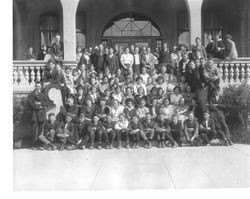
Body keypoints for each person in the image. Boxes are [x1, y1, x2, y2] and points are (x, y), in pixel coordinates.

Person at [27, 82, 48, 146]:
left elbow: (46, 103)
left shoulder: (43, 94)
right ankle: (34, 144)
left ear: (41, 87)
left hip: (42, 114)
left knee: (41, 129)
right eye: (37, 86)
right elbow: (30, 104)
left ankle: (40, 144)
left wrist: (39, 103)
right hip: (35, 114)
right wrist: (39, 106)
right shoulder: (31, 94)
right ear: (35, 86)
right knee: (34, 129)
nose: (38, 87)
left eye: (39, 86)